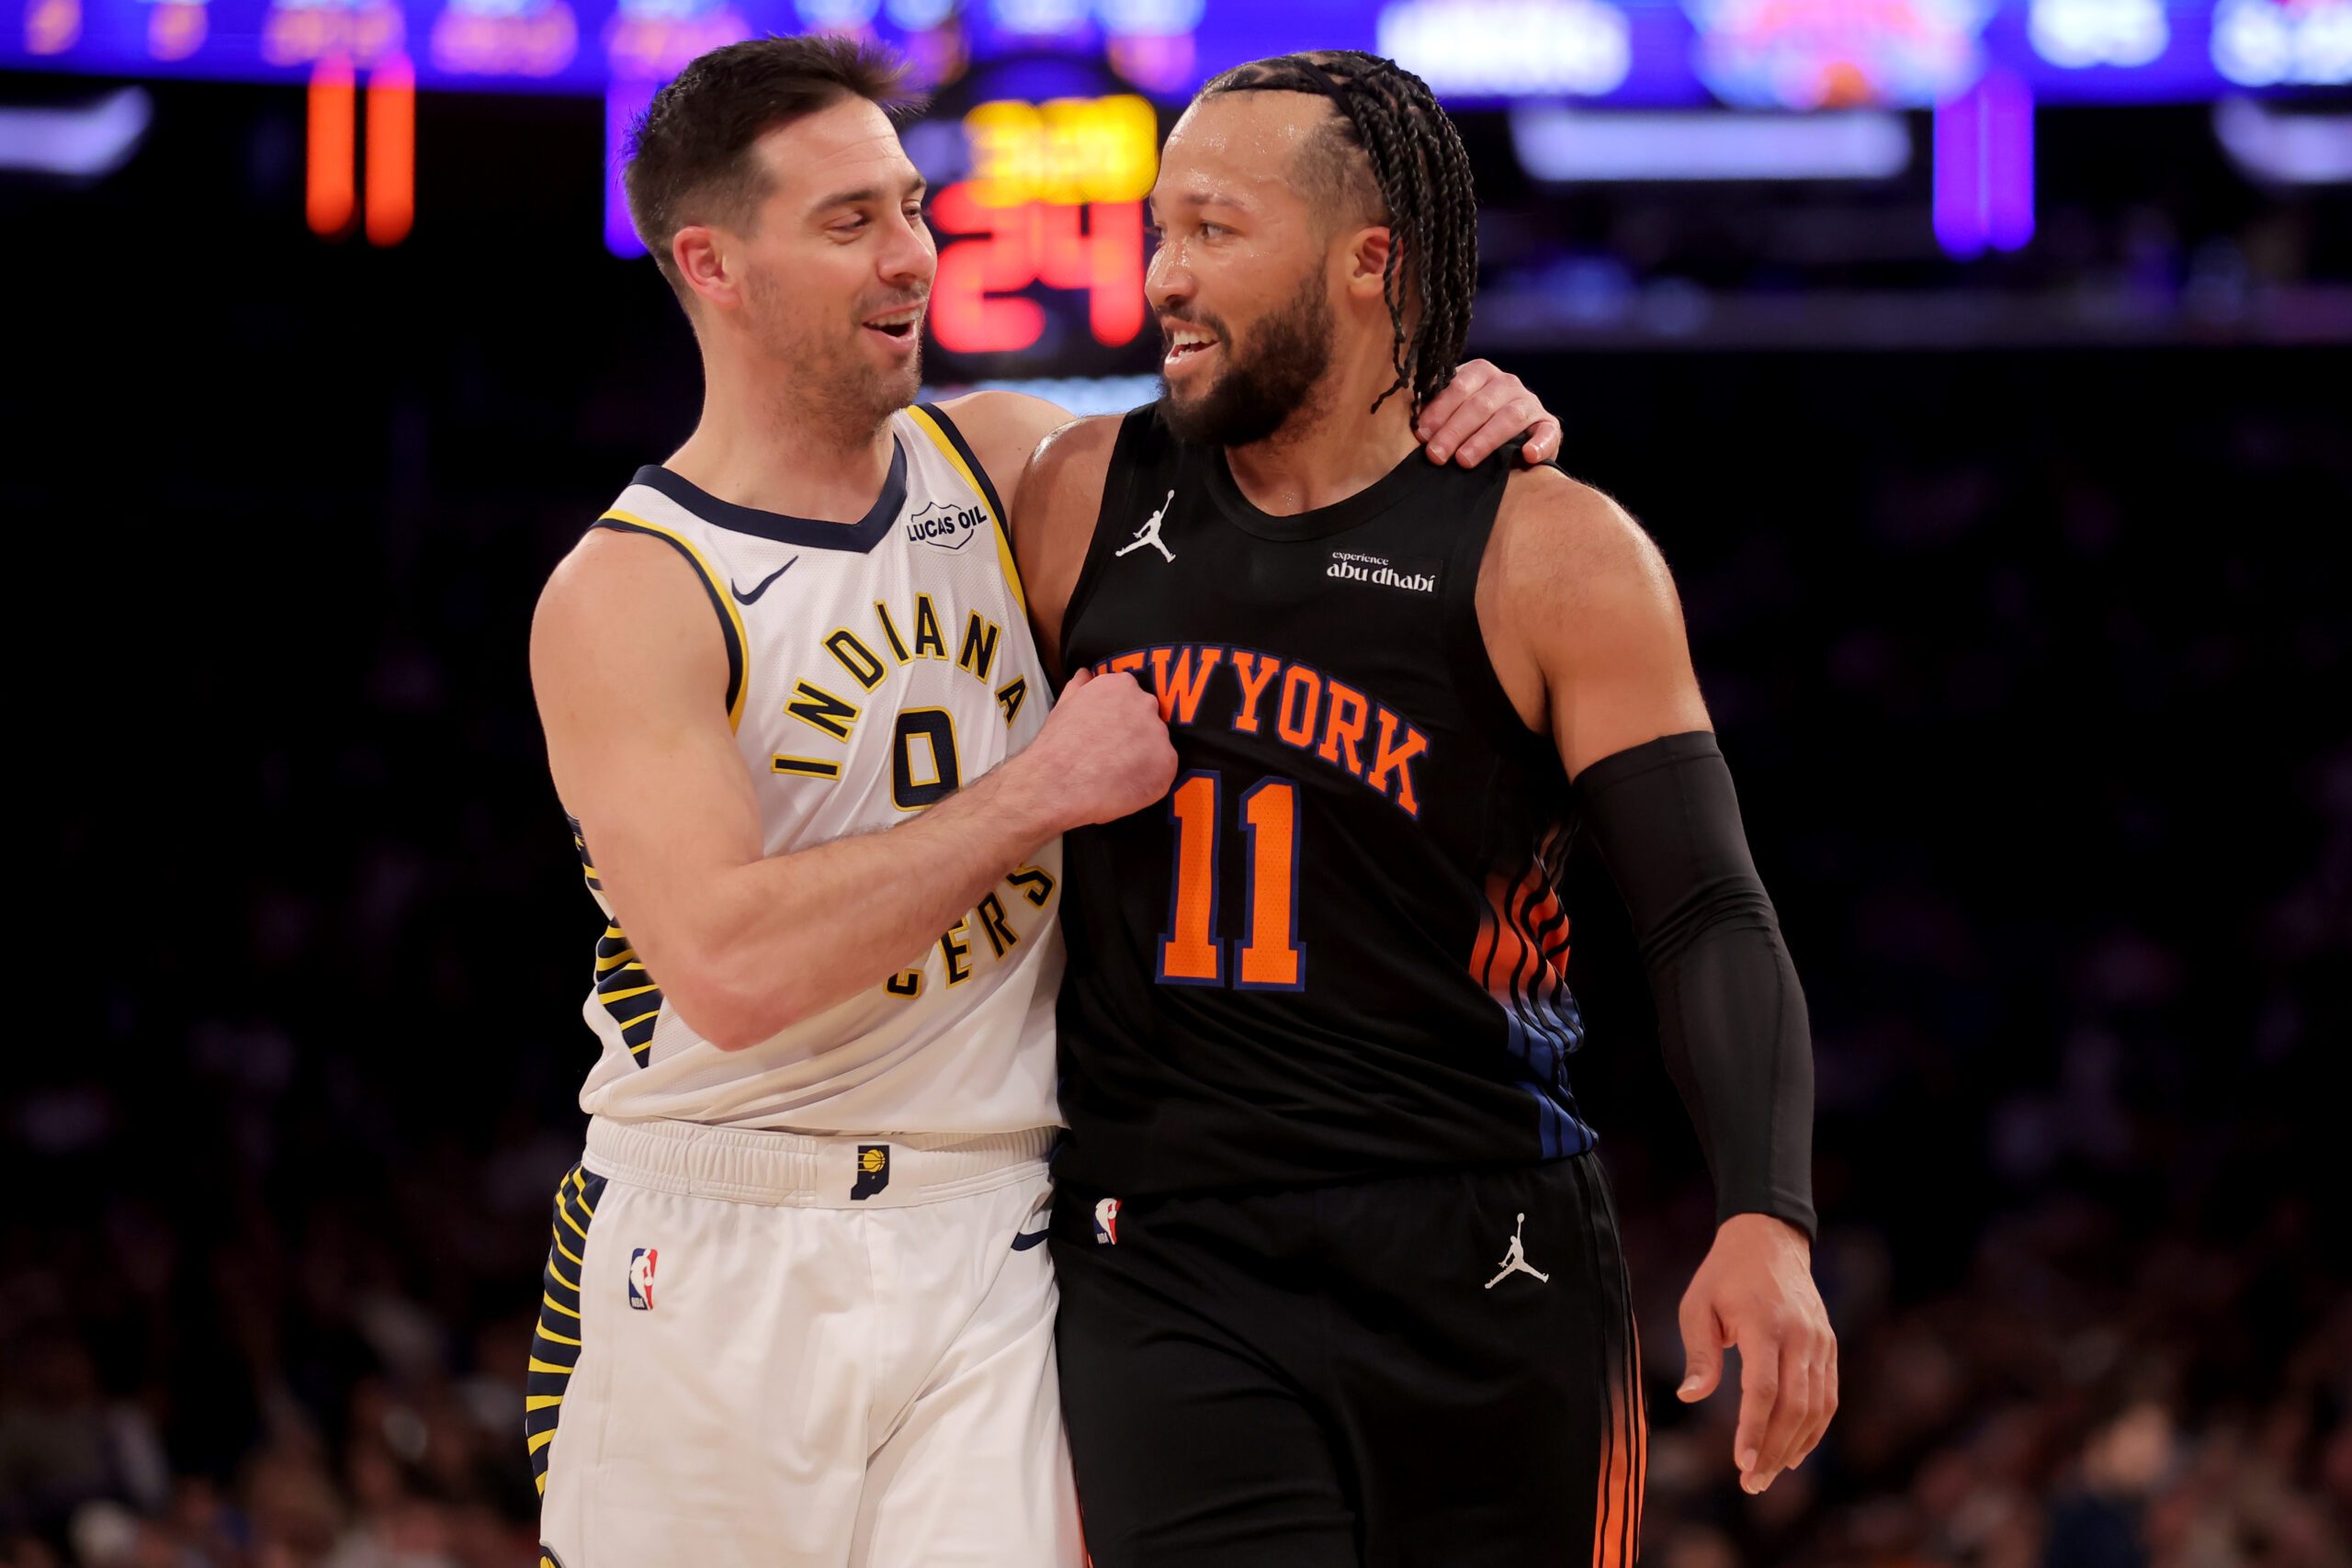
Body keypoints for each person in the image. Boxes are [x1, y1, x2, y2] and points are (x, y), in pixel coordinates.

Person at [524, 34, 1560, 1568]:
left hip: (993, 1227)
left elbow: (1300, 435)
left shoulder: (1003, 462)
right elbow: (730, 971)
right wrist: (1037, 797)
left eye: (909, 206)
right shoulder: (634, 590)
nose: (913, 255)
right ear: (711, 264)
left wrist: (1444, 411)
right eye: (849, 223)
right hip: (715, 1232)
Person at [1012, 51, 1839, 1567]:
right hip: (1167, 1249)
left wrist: (1766, 1213)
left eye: (1215, 231)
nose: (1165, 278)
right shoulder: (1071, 494)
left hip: (1484, 1250)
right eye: (1159, 231)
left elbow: (1705, 907)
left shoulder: (1551, 549)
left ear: (1367, 260)